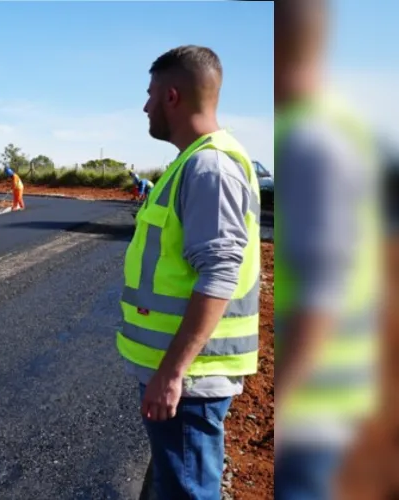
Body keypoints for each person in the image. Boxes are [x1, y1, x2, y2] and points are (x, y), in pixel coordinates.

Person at [118, 45, 262, 500]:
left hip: (191, 382)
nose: (145, 106)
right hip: (185, 377)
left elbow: (219, 274)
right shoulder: (192, 162)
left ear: (173, 97)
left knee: (186, 492)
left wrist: (173, 372)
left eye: (150, 94)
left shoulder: (209, 167)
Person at [273, 0, 381, 498]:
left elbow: (321, 291)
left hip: (315, 405)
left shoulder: (312, 141)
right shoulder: (334, 128)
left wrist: (285, 400)